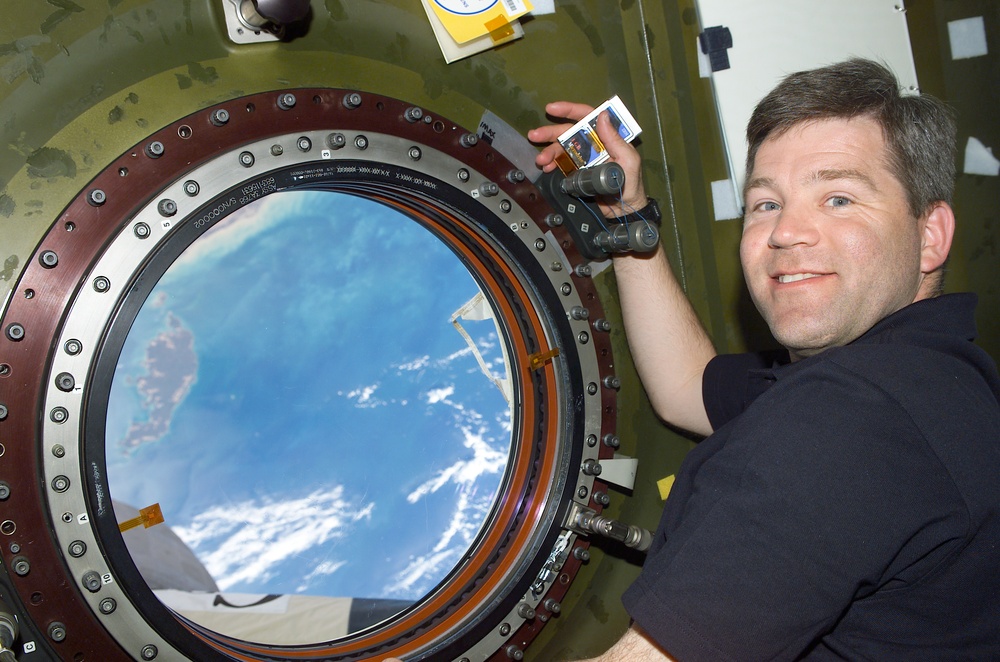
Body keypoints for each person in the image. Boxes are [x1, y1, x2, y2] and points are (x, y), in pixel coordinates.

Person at [518, 58, 1000, 660]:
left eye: (840, 198)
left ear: (930, 235)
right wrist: (628, 222)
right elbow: (687, 385)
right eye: (766, 204)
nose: (787, 232)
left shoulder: (852, 420)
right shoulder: (923, 379)